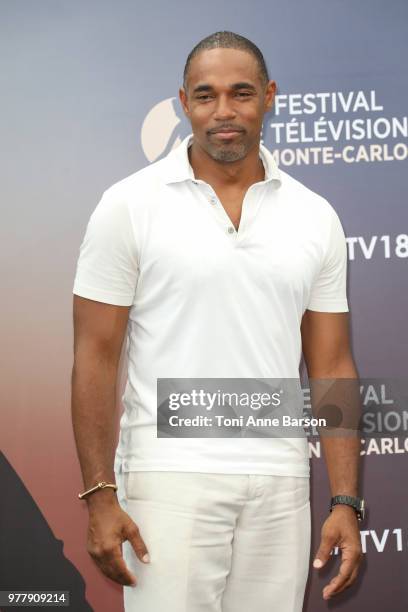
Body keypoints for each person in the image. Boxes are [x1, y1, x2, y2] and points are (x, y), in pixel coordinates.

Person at [71, 30, 363, 612]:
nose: (223, 112)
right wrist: (101, 495)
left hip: (280, 481)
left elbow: (331, 363)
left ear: (270, 97)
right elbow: (95, 355)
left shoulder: (315, 216)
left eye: (241, 93)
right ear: (184, 103)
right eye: (205, 96)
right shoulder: (128, 205)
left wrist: (345, 501)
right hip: (168, 480)